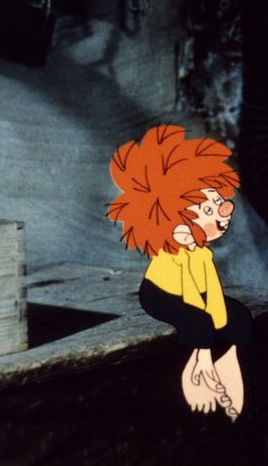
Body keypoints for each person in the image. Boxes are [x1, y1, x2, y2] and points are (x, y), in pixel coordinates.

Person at [107, 124, 252, 421]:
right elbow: (189, 295)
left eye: (218, 202)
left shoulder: (202, 254)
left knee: (237, 315)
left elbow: (211, 291)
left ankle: (228, 361)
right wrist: (205, 341)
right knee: (199, 321)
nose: (223, 213)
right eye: (208, 210)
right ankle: (199, 368)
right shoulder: (176, 254)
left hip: (196, 293)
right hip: (162, 294)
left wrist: (224, 323)